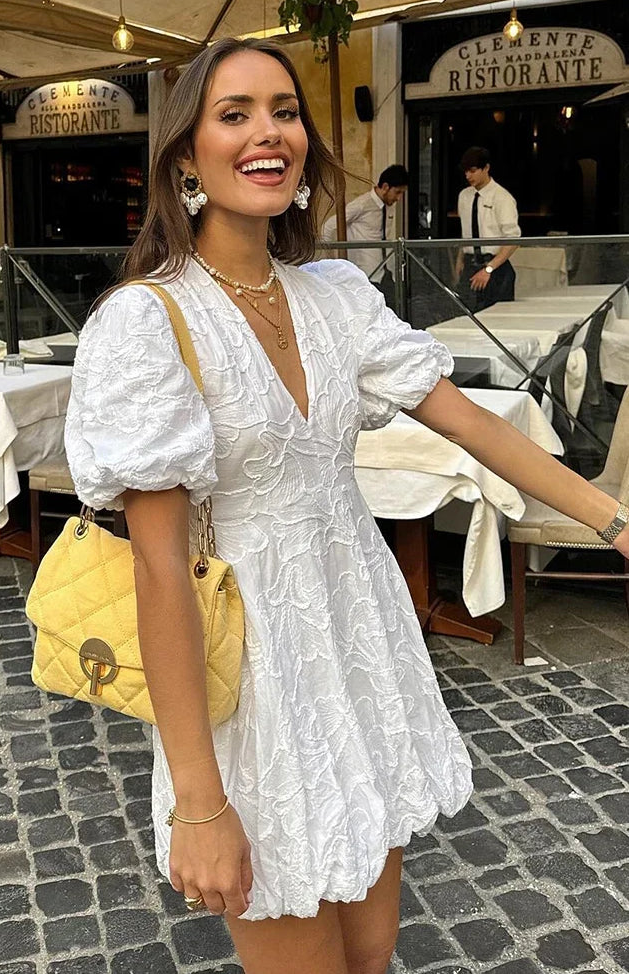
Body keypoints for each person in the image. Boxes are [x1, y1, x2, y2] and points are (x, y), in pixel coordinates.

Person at [64, 37, 629, 974]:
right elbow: (159, 569)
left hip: (360, 642)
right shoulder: (146, 321)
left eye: (284, 111)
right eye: (235, 114)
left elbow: (473, 424)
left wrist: (614, 522)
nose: (268, 133)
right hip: (253, 679)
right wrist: (198, 801)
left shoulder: (335, 296)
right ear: (186, 157)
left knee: (370, 955)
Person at [321, 164, 409, 310]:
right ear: (385, 187)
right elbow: (329, 226)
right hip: (366, 274)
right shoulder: (362, 204)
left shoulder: (388, 206)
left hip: (386, 272)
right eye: (397, 192)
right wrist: (330, 260)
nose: (399, 198)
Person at [455, 146, 520, 312]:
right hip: (470, 264)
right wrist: (460, 261)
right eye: (465, 171)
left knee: (496, 318)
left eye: (473, 171)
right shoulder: (464, 196)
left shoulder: (502, 197)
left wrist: (489, 268)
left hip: (495, 265)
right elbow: (465, 233)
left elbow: (513, 239)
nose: (468, 176)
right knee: (465, 315)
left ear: (486, 168)